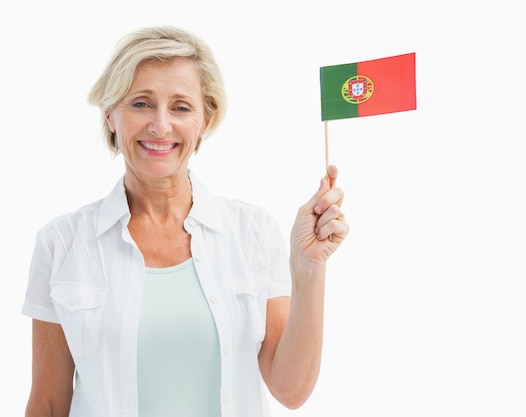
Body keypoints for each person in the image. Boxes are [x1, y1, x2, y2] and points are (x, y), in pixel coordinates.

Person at [22, 26, 349, 417]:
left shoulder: (252, 233)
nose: (160, 126)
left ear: (205, 120)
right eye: (140, 103)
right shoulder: (61, 243)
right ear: (110, 114)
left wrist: (309, 266)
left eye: (180, 107)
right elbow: (49, 403)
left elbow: (291, 390)